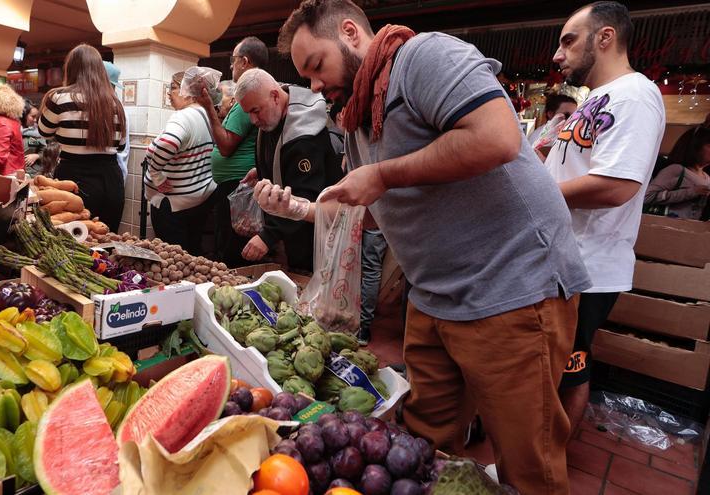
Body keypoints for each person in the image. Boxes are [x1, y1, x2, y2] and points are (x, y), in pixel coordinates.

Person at [267, 1, 591, 493]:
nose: (313, 85)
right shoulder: (356, 121)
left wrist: (382, 174)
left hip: (513, 288)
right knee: (419, 448)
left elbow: (497, 137)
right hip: (434, 296)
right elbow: (374, 213)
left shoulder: (424, 56)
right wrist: (300, 210)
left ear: (351, 33)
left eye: (316, 66)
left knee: (528, 464)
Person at [544, 1, 666, 441]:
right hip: (564, 259)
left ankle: (548, 468)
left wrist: (537, 197)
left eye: (568, 40)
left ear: (606, 37)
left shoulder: (635, 94)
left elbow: (617, 185)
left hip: (587, 267)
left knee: (569, 367)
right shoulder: (594, 98)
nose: (558, 54)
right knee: (553, 363)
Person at [235, 68, 344, 271]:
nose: (253, 120)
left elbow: (306, 196)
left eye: (255, 111)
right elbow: (284, 158)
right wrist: (263, 170)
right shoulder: (277, 111)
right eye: (248, 113)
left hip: (316, 236)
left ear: (275, 96)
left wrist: (269, 235)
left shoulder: (305, 136)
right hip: (292, 230)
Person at [195, 36, 268, 267]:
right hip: (237, 183)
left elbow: (226, 146)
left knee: (231, 252)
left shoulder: (249, 94)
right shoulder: (252, 92)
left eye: (233, 60)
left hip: (238, 186)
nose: (231, 66)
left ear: (244, 61)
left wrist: (208, 107)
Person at [39, 44, 127, 229]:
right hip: (111, 180)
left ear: (71, 68)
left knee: (74, 242)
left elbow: (44, 131)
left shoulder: (59, 98)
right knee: (104, 238)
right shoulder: (115, 103)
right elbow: (120, 146)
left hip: (74, 179)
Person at [144, 71, 216, 255]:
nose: (169, 93)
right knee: (191, 256)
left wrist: (156, 175)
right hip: (197, 201)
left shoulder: (183, 116)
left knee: (173, 259)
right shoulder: (206, 116)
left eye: (174, 88)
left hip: (173, 205)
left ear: (188, 91)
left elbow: (169, 142)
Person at [644, 127, 710, 220]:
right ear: (695, 147)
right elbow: (647, 196)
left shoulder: (707, 177)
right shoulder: (676, 170)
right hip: (665, 228)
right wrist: (691, 192)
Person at [20, 99, 46, 176]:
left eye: (36, 117)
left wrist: (36, 156)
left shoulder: (37, 133)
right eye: (33, 116)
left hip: (32, 173)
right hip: (14, 172)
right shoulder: (13, 130)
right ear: (23, 115)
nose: (35, 120)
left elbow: (45, 151)